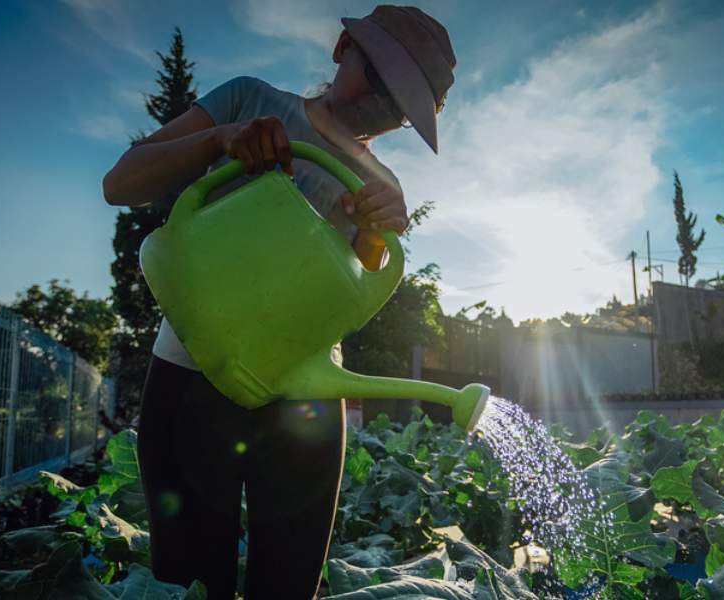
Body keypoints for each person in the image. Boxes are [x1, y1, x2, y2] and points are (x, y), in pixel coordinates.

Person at [100, 5, 457, 599]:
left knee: (289, 589)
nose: (381, 105)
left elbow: (355, 297)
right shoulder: (249, 102)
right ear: (343, 46)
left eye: (399, 107)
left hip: (304, 406)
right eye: (379, 78)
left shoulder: (381, 190)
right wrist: (218, 139)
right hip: (190, 380)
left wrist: (372, 238)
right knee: (189, 583)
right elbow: (121, 183)